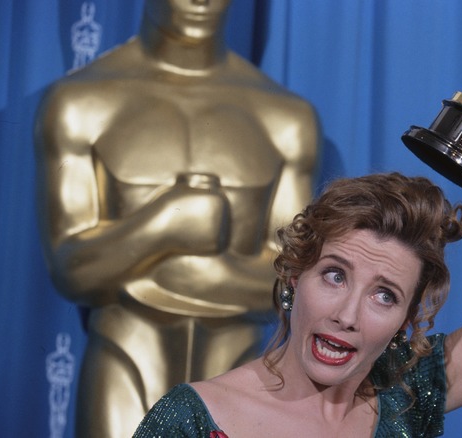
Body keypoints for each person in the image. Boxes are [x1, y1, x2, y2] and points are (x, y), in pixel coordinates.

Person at [133, 25, 462, 437]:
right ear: (295, 275)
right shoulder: (190, 420)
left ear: (406, 320)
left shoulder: (405, 396)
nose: (348, 315)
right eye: (335, 275)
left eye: (385, 296)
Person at [33, 0, 320, 436]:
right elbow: (70, 271)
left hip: (239, 374)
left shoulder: (286, 119)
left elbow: (293, 282)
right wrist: (166, 223)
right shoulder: (79, 103)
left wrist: (183, 273)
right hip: (124, 362)